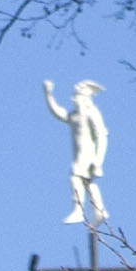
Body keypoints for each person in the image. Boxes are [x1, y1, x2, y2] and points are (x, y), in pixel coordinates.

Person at [46, 76, 111, 227]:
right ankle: (99, 209)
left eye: (78, 97)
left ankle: (79, 210)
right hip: (79, 154)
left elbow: (101, 136)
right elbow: (58, 113)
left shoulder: (91, 113)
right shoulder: (74, 116)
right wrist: (48, 95)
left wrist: (98, 160)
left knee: (75, 176)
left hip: (88, 154)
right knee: (86, 182)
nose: (74, 100)